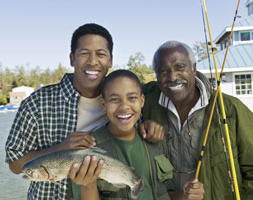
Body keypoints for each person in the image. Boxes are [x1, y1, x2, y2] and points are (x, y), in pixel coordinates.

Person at [5, 23, 113, 200]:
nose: (93, 61)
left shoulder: (123, 102)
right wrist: (60, 148)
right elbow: (15, 164)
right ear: (72, 59)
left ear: (110, 60)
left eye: (100, 54)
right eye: (84, 53)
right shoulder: (37, 103)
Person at [141, 41, 253, 199]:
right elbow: (115, 95)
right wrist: (138, 126)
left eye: (180, 67)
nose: (173, 77)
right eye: (163, 71)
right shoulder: (144, 103)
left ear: (193, 68)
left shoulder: (230, 108)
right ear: (157, 77)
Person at [69, 69, 204, 200]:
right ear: (103, 104)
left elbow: (166, 193)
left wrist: (185, 196)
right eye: (115, 99)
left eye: (132, 98)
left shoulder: (155, 141)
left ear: (142, 101)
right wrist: (87, 185)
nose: (124, 107)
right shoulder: (89, 149)